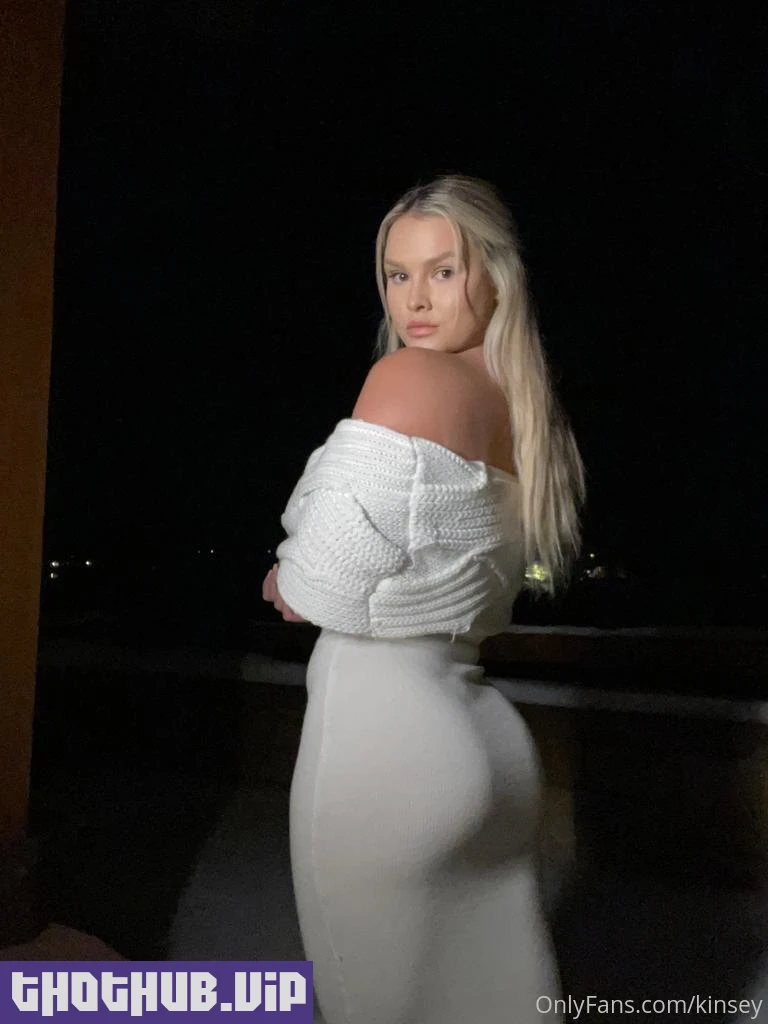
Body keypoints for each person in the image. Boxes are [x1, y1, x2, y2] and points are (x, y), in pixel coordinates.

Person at [262, 174, 586, 1024]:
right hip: (488, 746)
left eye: (444, 271)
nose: (415, 300)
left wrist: (285, 574)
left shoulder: (410, 379)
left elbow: (319, 583)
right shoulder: (525, 411)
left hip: (386, 747)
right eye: (397, 274)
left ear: (496, 276)